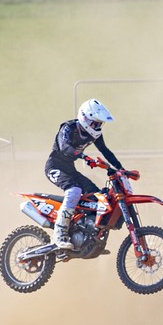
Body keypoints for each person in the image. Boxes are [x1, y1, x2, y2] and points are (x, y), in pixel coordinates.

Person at [45, 99, 128, 249]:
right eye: (95, 123)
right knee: (74, 191)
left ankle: (86, 234)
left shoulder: (95, 134)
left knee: (97, 196)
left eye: (100, 124)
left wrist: (121, 169)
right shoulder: (68, 127)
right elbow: (65, 148)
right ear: (85, 118)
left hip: (70, 169)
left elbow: (105, 151)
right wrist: (84, 156)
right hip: (55, 167)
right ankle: (59, 234)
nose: (98, 127)